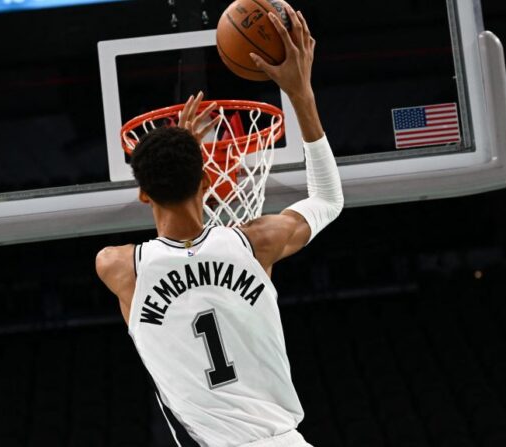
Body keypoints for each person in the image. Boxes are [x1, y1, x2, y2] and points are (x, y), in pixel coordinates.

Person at [96, 6, 343, 446]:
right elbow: (328, 198)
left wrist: (180, 152)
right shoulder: (255, 242)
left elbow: (173, 231)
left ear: (143, 193)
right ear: (209, 180)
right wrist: (301, 93)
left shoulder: (120, 268)